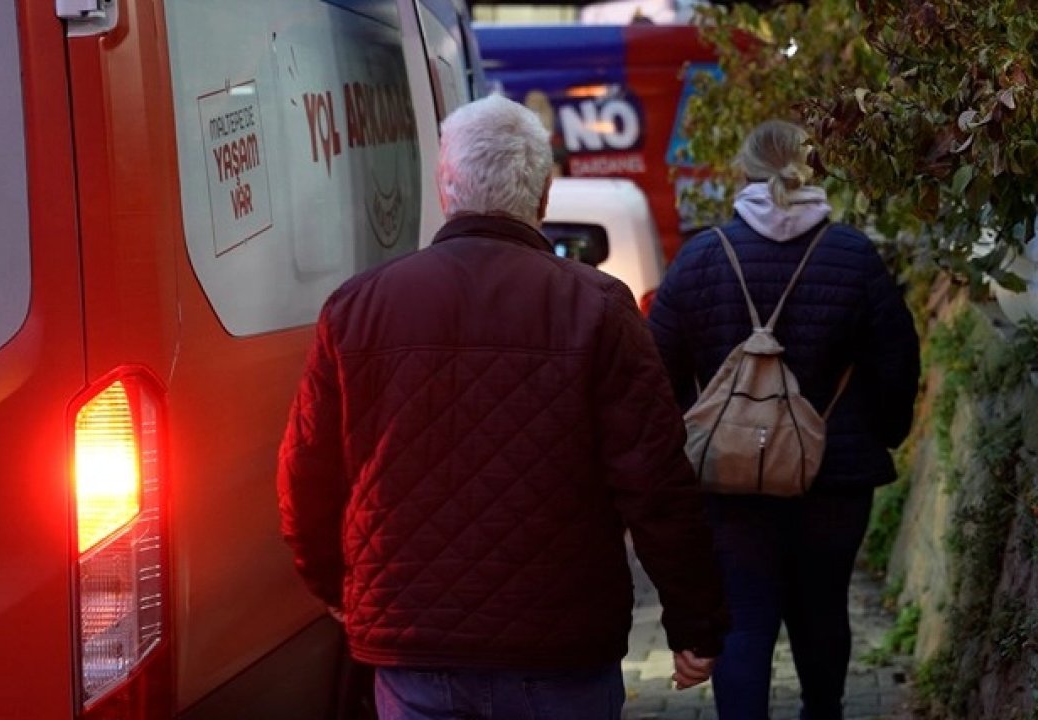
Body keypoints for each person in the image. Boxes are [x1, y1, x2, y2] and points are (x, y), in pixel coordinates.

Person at [277, 93, 728, 720]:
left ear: (445, 188)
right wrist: (694, 622)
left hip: (414, 644)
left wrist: (338, 586)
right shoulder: (599, 308)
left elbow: (306, 477)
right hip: (562, 645)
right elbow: (655, 482)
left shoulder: (357, 309)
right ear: (543, 197)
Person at [648, 119, 921, 720]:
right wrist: (883, 434)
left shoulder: (701, 257)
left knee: (742, 616)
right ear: (811, 170)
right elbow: (897, 360)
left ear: (742, 173)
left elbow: (654, 367)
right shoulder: (853, 255)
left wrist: (685, 441)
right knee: (823, 608)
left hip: (728, 476)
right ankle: (822, 712)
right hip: (835, 477)